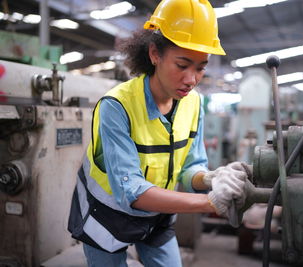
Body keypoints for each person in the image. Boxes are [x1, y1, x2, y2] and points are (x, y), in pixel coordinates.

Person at [67, 0, 250, 266]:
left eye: (201, 67)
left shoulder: (193, 103)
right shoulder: (116, 106)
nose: (191, 79)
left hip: (157, 217)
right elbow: (133, 192)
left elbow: (188, 170)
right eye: (182, 65)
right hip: (105, 216)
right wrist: (211, 203)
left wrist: (211, 178)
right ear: (155, 54)